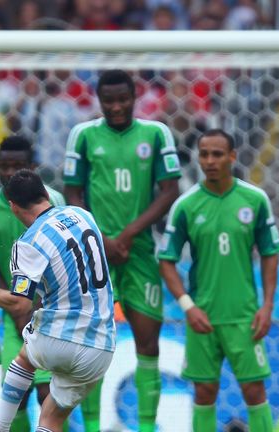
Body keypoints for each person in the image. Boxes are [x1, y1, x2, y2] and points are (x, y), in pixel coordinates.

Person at [63, 69, 181, 432]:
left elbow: (170, 190)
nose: (116, 107)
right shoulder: (82, 135)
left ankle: (147, 426)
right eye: (109, 100)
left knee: (148, 341)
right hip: (94, 253)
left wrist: (128, 234)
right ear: (99, 100)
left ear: (135, 98)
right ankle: (94, 427)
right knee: (91, 345)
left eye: (123, 99)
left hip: (141, 251)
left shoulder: (156, 133)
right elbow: (72, 193)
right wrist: (98, 237)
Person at [0, 169, 116, 432]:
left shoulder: (29, 243)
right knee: (51, 418)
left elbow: (20, 304)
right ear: (46, 193)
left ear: (12, 207)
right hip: (101, 347)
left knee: (24, 359)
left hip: (58, 338)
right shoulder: (82, 215)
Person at [158, 129, 279, 432]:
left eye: (217, 154)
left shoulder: (254, 200)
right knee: (203, 392)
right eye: (204, 154)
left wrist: (266, 306)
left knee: (254, 391)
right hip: (203, 317)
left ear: (232, 157)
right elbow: (166, 261)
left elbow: (270, 253)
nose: (210, 161)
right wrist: (188, 307)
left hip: (244, 316)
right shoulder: (186, 206)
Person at [0, 135, 67, 431]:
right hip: (13, 313)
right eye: (5, 166)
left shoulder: (54, 202)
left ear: (33, 168)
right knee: (15, 396)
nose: (11, 173)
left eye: (19, 166)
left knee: (47, 394)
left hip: (49, 313)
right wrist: (16, 305)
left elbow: (61, 260)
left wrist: (32, 306)